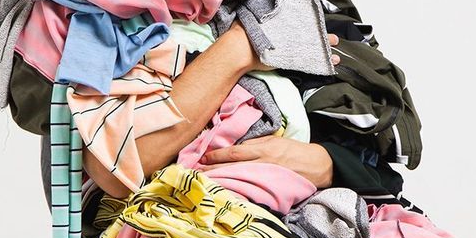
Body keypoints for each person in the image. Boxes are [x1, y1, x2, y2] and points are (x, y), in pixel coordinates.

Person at [82, 24, 341, 197]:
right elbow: (114, 167)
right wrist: (238, 47)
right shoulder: (88, 21)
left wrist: (328, 162)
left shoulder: (307, 9)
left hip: (313, 237)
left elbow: (375, 141)